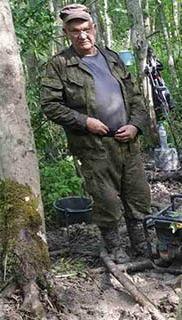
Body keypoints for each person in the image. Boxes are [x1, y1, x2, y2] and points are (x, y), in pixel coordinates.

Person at [41, 4, 151, 262]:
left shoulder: (111, 58)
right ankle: (115, 249)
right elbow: (50, 105)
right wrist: (85, 121)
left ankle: (143, 248)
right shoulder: (60, 65)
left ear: (95, 29)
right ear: (65, 32)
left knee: (138, 198)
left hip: (128, 143)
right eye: (74, 30)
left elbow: (135, 97)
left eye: (86, 29)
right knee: (106, 202)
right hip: (94, 148)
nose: (82, 35)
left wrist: (135, 125)